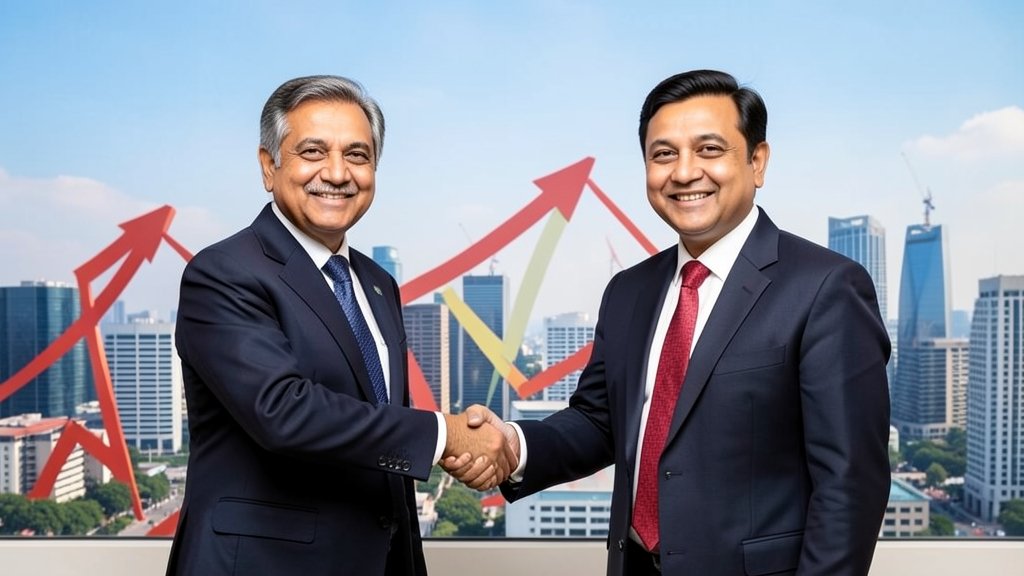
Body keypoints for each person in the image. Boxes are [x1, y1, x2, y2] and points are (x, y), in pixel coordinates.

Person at [447, 69, 891, 575]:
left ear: (757, 161)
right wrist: (512, 444)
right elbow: (600, 422)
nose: (683, 173)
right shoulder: (629, 291)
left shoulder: (826, 288)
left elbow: (850, 485)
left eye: (708, 150)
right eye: (663, 155)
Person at [166, 75, 514, 576]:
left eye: (357, 155)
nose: (336, 172)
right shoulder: (223, 273)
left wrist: (461, 450)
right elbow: (283, 411)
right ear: (269, 166)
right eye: (312, 151)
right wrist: (445, 436)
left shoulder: (376, 284)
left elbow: (380, 423)